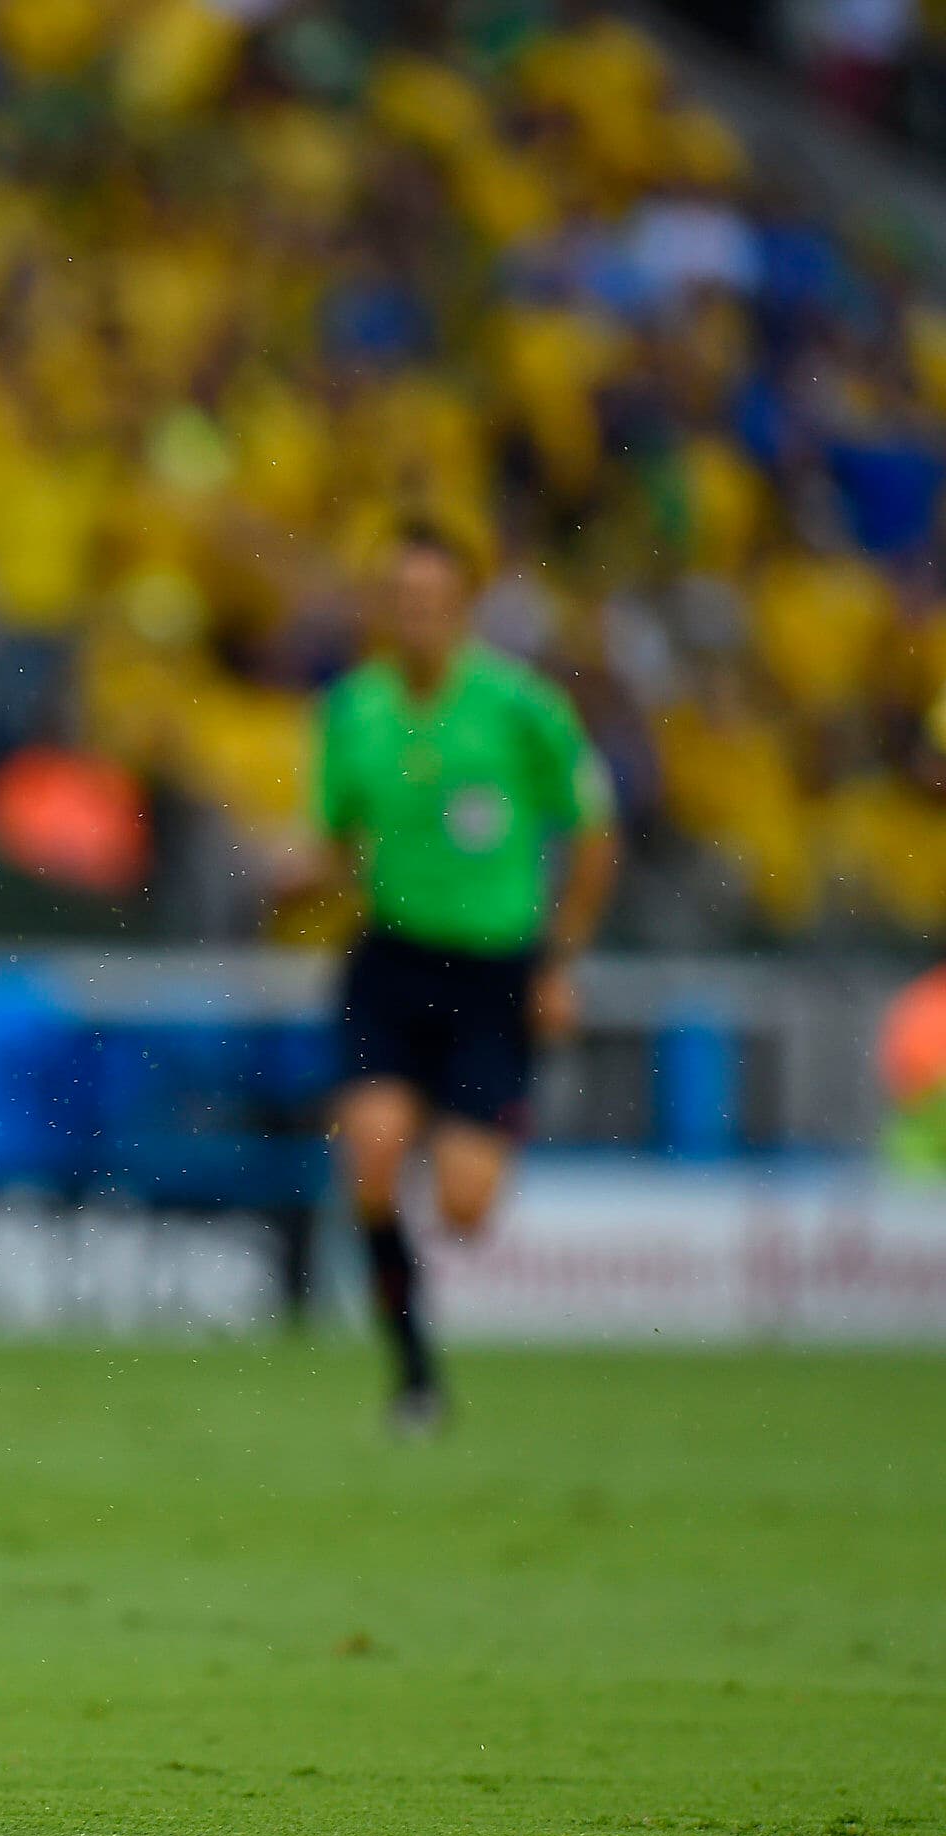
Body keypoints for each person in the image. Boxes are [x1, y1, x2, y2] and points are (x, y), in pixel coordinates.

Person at [316, 524, 618, 1433]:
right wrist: (298, 877)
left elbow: (594, 833)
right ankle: (415, 1377)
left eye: (434, 600)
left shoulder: (522, 708)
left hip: (494, 971)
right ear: (384, 609)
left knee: (463, 1205)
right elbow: (337, 842)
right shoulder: (352, 711)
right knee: (373, 1155)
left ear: (465, 607)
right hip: (390, 958)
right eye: (403, 600)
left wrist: (558, 960)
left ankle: (485, 1120)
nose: (417, 615)